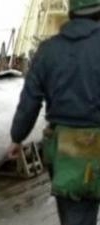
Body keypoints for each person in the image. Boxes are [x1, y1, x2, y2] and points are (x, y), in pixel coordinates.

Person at [8, 0, 100, 224]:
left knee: (76, 216)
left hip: (69, 151)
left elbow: (30, 100)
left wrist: (17, 137)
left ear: (71, 11)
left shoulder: (48, 50)